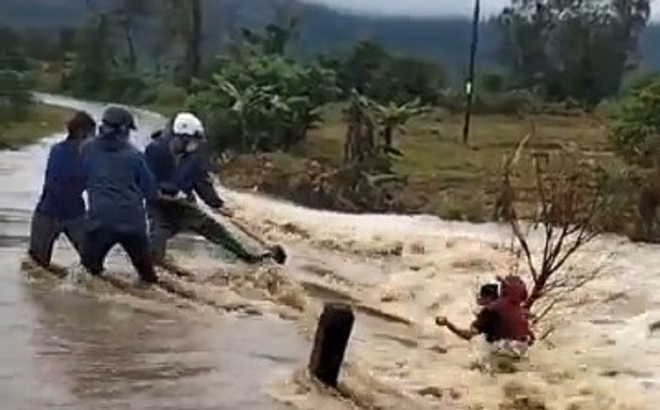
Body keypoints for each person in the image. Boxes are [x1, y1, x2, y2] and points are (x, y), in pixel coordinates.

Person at [144, 112, 274, 266]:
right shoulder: (155, 150)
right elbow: (148, 181)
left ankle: (249, 257)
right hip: (158, 203)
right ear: (180, 137)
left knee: (212, 228)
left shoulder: (193, 157)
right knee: (159, 234)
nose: (194, 144)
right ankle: (154, 265)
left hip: (183, 203)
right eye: (192, 140)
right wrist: (168, 192)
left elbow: (202, 182)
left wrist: (217, 204)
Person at [79, 106, 160, 284]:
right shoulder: (135, 156)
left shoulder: (87, 148)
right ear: (123, 130)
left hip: (99, 222)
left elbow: (81, 178)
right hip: (132, 223)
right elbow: (151, 191)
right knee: (148, 279)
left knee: (86, 275)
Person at [28, 111, 97, 269]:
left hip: (49, 211)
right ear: (81, 132)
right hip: (66, 214)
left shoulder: (57, 150)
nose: (94, 138)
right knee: (93, 264)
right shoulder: (87, 155)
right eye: (92, 134)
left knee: (36, 267)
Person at [435, 275, 535, 358]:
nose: (480, 300)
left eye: (483, 296)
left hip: (499, 357)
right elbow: (530, 339)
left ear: (490, 297)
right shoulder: (520, 310)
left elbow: (469, 335)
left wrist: (448, 324)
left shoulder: (489, 311)